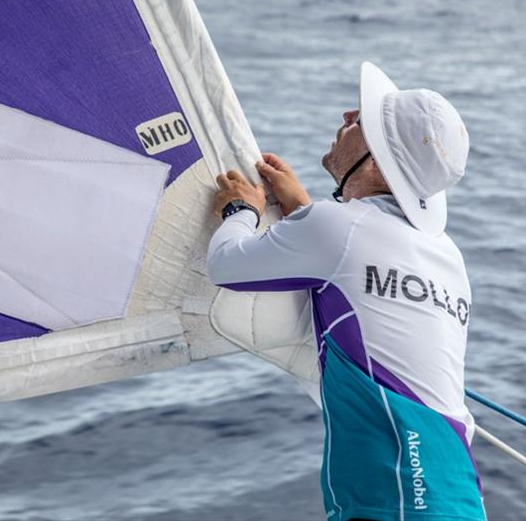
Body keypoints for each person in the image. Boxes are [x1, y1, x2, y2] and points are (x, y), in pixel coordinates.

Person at [206, 62, 486, 521]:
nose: (347, 116)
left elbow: (225, 265)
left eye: (362, 121)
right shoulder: (446, 254)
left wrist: (242, 209)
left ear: (374, 160)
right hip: (457, 496)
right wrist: (302, 208)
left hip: (396, 500)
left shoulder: (337, 229)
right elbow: (360, 264)